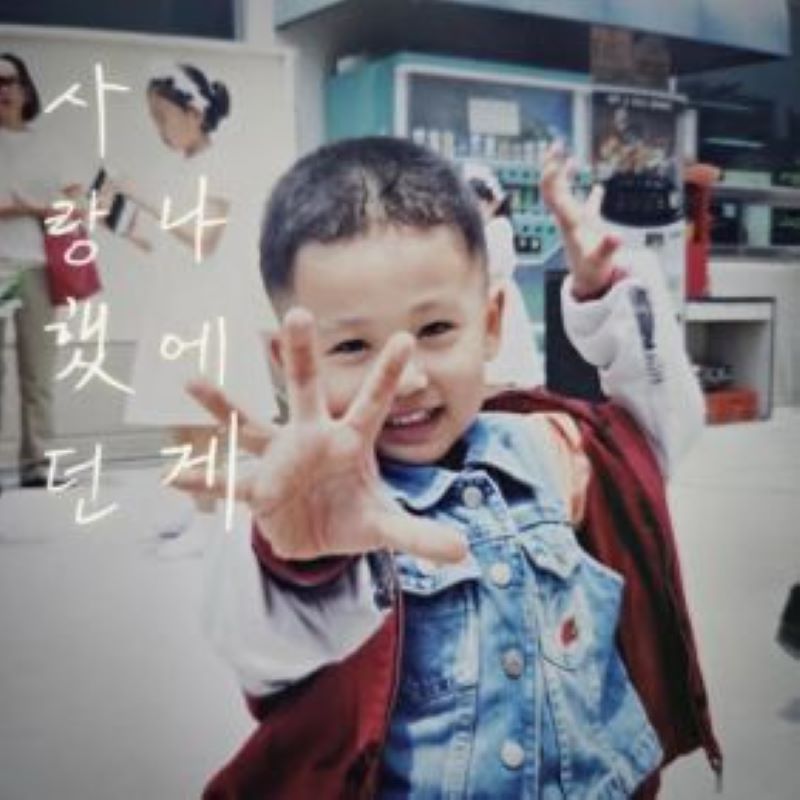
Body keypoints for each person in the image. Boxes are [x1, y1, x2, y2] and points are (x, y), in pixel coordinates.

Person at [175, 137, 710, 797]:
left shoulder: (548, 446)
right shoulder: (314, 506)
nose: (406, 380)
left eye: (434, 331)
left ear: (491, 323)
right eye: (353, 345)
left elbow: (657, 435)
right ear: (290, 361)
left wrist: (611, 297)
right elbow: (259, 649)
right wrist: (296, 559)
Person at [112, 63, 276, 555]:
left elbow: (203, 238)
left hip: (207, 307)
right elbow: (165, 243)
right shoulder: (179, 167)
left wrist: (142, 198)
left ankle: (206, 525)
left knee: (202, 418)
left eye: (163, 117)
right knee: (177, 415)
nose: (158, 128)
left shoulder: (219, 164)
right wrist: (118, 225)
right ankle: (190, 507)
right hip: (175, 304)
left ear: (194, 113)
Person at [0, 53, 76, 488]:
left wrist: (34, 207)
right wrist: (27, 207)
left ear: (26, 89)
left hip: (37, 266)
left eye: (11, 81)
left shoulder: (47, 144)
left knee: (38, 372)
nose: (4, 90)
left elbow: (72, 204)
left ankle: (39, 463)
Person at [464, 161, 544, 391]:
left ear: (493, 203)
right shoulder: (480, 232)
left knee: (505, 343)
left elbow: (493, 266)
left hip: (497, 294)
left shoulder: (499, 228)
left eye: (478, 203)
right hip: (483, 294)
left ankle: (504, 380)